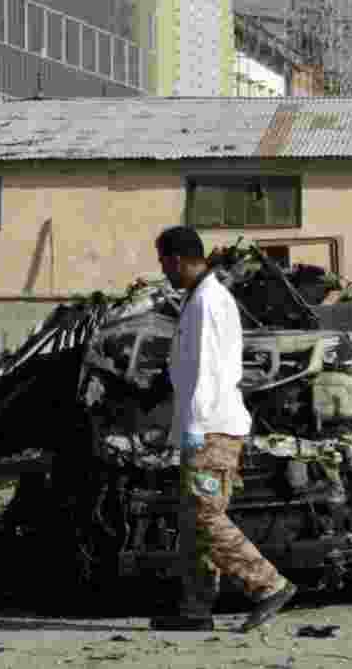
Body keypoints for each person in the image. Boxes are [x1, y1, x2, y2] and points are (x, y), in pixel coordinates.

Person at [149, 226, 296, 632]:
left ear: (176, 259)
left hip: (211, 428)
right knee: (194, 520)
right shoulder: (199, 298)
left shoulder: (207, 302)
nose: (163, 270)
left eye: (163, 262)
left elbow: (206, 371)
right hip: (205, 425)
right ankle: (195, 610)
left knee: (204, 516)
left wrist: (193, 425)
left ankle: (268, 585)